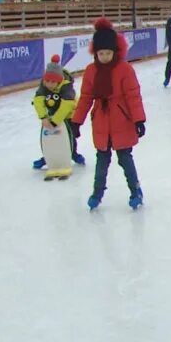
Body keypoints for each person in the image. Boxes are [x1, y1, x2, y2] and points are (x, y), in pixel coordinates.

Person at [70, 18, 147, 211]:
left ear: (116, 51)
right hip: (102, 122)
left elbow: (133, 96)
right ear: (95, 52)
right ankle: (97, 193)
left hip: (122, 121)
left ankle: (135, 191)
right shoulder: (91, 71)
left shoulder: (124, 69)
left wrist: (139, 120)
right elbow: (86, 98)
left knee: (125, 159)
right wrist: (76, 122)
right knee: (101, 162)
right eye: (101, 53)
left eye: (108, 53)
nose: (104, 57)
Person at [32, 55, 85, 173]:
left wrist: (55, 121)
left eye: (52, 82)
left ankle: (73, 153)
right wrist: (44, 117)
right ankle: (48, 157)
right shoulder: (44, 84)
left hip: (70, 115)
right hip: (52, 114)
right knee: (50, 137)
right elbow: (38, 100)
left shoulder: (66, 86)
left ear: (59, 81)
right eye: (47, 81)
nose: (49, 84)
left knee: (69, 136)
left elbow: (67, 105)